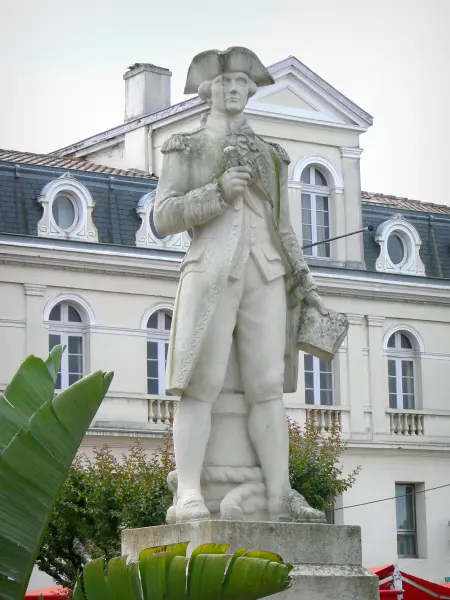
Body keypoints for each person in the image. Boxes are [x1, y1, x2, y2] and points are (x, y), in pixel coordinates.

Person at [154, 47, 327, 523]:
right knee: (200, 384)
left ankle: (279, 494)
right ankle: (188, 490)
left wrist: (306, 284)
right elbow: (162, 217)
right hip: (211, 270)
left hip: (266, 272)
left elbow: (284, 226)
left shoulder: (271, 155)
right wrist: (215, 193)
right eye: (226, 80)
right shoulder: (185, 147)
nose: (235, 89)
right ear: (209, 88)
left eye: (243, 83)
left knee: (268, 387)